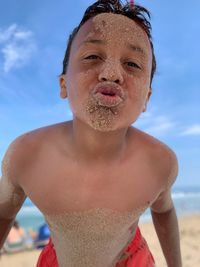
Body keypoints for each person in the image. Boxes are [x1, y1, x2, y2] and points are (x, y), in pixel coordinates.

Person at [0, 0, 182, 266]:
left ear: (147, 98)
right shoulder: (26, 156)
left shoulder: (159, 163)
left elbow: (164, 210)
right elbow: (4, 214)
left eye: (132, 64)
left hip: (131, 258)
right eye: (92, 57)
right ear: (64, 84)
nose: (111, 74)